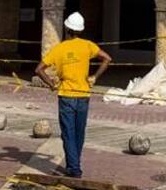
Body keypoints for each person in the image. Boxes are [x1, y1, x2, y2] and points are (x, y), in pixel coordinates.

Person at [36, 12, 112, 177]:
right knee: (79, 132)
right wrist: (94, 77)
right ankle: (74, 164)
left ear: (66, 28)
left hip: (66, 96)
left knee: (68, 133)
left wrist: (51, 84)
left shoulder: (60, 48)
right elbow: (107, 58)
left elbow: (39, 69)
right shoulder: (87, 45)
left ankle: (74, 168)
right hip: (83, 95)